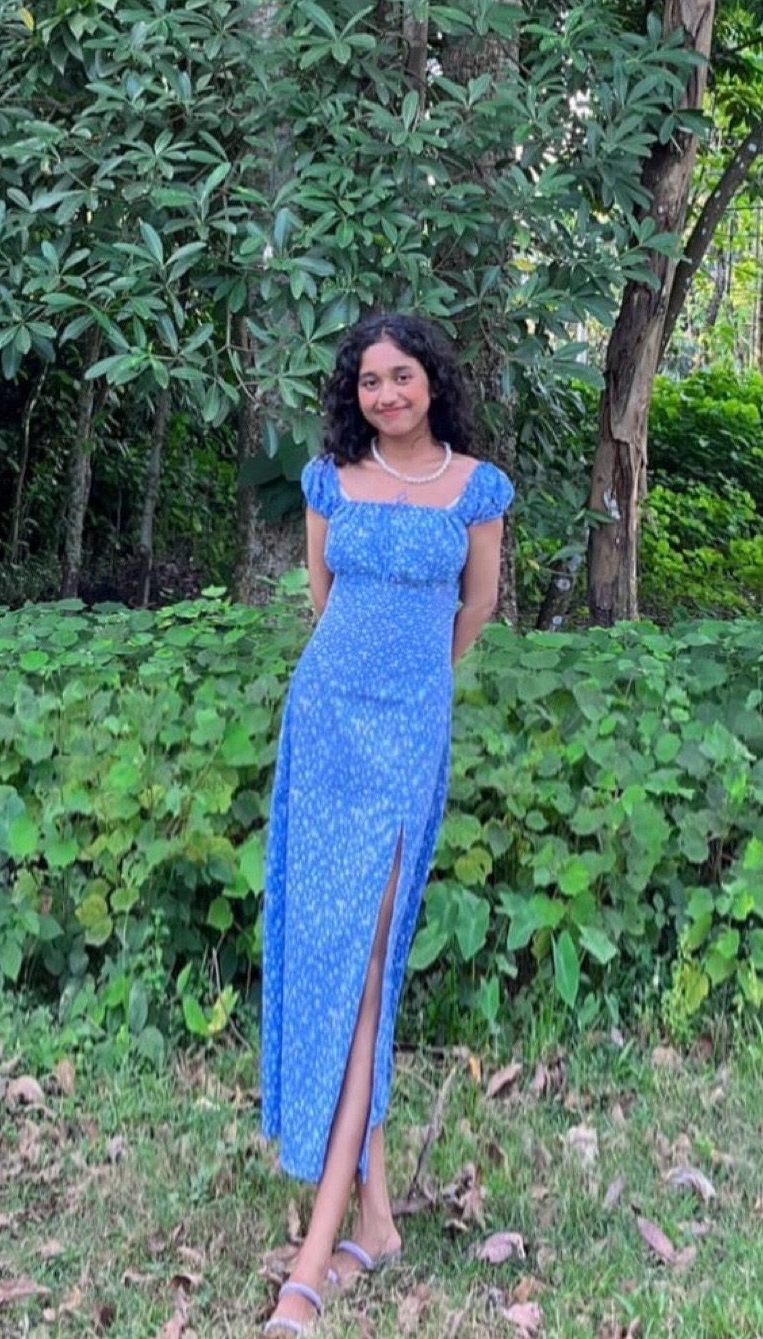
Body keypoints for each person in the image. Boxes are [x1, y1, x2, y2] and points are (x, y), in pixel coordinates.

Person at [260, 314, 513, 1335]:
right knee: (333, 956)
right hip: (324, 724)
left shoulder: (476, 488)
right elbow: (322, 598)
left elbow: (477, 608)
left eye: (401, 376)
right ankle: (372, 1219)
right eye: (369, 381)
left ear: (431, 382)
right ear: (353, 393)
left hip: (407, 734)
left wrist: (414, 688)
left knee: (368, 963)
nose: (386, 395)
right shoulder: (331, 479)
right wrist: (357, 682)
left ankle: (310, 1264)